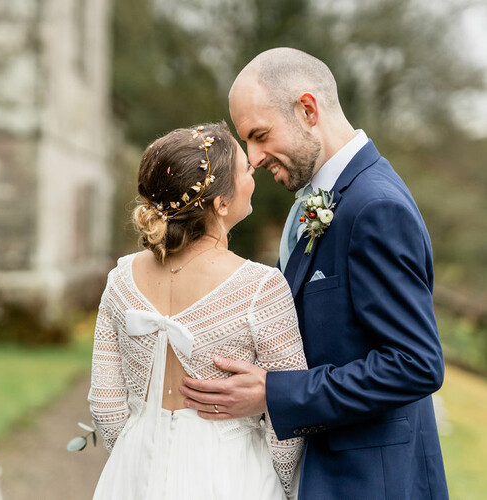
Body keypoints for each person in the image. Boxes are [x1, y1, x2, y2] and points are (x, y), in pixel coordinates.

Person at [180, 48, 449, 499]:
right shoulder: (320, 201)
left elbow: (415, 363)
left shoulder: (375, 207)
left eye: (260, 135)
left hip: (372, 483)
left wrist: (275, 393)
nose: (253, 158)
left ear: (308, 109)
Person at [88, 121, 307, 500]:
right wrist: (283, 483)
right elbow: (288, 408)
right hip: (231, 473)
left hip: (135, 469)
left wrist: (131, 459)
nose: (253, 174)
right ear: (221, 204)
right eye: (245, 170)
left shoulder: (121, 279)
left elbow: (106, 406)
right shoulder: (260, 287)